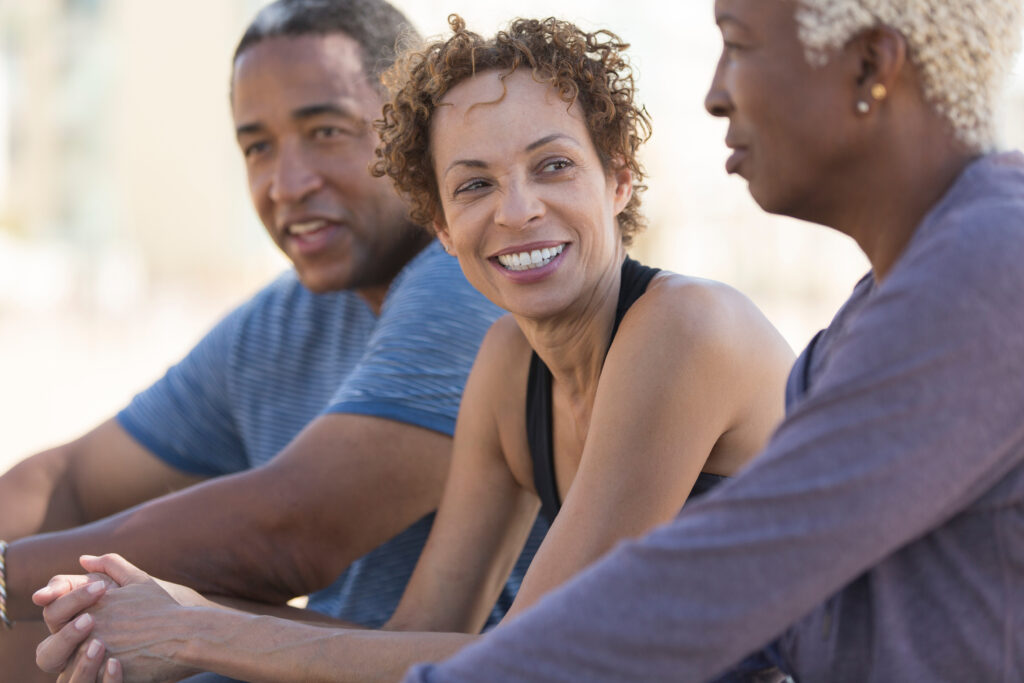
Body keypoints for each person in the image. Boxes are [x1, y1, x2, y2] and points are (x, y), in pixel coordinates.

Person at [32, 15, 796, 682]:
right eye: (473, 186)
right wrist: (183, 618)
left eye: (554, 165)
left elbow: (536, 658)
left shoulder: (687, 328)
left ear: (620, 179)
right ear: (441, 228)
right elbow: (427, 642)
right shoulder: (508, 365)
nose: (519, 209)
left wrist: (199, 630)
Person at [363, 0, 1019, 680]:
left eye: (738, 46)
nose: (713, 95)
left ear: (867, 66)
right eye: (475, 184)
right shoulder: (871, 315)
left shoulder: (990, 266)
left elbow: (698, 586)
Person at [0, 1, 546, 680]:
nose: (286, 184)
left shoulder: (474, 281)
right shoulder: (286, 320)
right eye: (257, 146)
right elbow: (68, 480)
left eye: (326, 131)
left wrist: (7, 576)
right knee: (55, 626)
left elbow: (295, 528)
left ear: (413, 130)